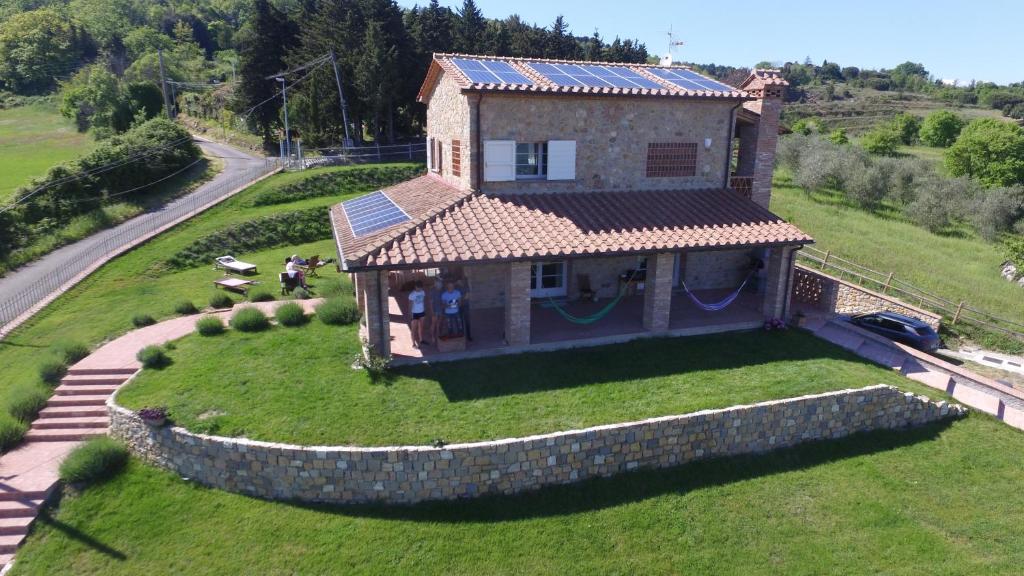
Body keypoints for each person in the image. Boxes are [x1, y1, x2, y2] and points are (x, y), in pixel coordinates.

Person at [407, 281, 426, 348]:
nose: (420, 289)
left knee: (421, 327)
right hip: (414, 313)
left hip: (422, 312)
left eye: (421, 287)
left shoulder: (423, 292)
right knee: (413, 329)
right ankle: (413, 343)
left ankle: (421, 340)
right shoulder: (412, 295)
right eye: (419, 287)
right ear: (416, 287)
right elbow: (410, 304)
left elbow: (423, 301)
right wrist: (410, 313)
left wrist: (424, 309)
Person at [456, 274, 472, 341]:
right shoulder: (456, 288)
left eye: (460, 281)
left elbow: (467, 296)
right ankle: (461, 336)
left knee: (467, 321)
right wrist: (461, 298)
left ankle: (468, 336)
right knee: (460, 322)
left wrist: (460, 298)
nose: (459, 282)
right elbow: (456, 297)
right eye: (458, 281)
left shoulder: (466, 286)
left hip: (465, 306)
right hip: (459, 306)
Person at [430, 276, 444, 344]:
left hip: (441, 309)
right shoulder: (432, 291)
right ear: (436, 283)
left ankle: (438, 335)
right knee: (434, 323)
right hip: (435, 309)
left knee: (439, 323)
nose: (441, 284)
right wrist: (432, 311)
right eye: (439, 282)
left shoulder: (442, 290)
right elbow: (431, 302)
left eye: (441, 283)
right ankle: (432, 336)